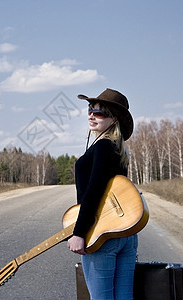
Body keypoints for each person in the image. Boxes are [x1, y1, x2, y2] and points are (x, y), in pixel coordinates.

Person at [67, 88, 136, 300]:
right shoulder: (117, 149)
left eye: (100, 112)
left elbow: (94, 191)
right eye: (90, 109)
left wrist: (79, 232)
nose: (91, 115)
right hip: (126, 234)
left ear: (114, 119)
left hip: (103, 234)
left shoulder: (103, 147)